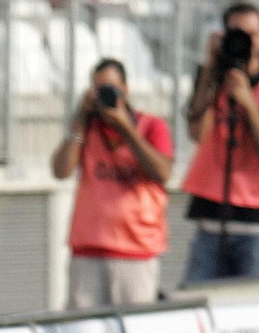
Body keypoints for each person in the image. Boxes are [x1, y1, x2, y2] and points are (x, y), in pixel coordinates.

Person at [181, 3, 259, 283]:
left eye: (252, 34)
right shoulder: (211, 77)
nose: (246, 40)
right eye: (237, 33)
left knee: (253, 312)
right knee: (200, 302)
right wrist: (210, 68)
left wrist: (249, 103)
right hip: (212, 216)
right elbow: (197, 132)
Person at [52, 59, 173, 308]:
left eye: (111, 88)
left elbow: (162, 172)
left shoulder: (150, 126)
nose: (105, 95)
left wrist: (126, 129)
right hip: (88, 252)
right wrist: (80, 119)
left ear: (126, 90)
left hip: (136, 253)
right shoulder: (87, 129)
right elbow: (61, 170)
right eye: (98, 89)